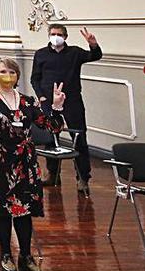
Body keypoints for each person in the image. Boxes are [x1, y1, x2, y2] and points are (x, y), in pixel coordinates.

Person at [0, 58, 65, 271]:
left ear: (17, 75)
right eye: (2, 71)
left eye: (11, 71)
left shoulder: (28, 102)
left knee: (24, 210)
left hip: (25, 162)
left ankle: (26, 256)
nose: (7, 75)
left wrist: (57, 106)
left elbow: (51, 126)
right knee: (2, 211)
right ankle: (5, 254)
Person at [29, 24, 102, 194]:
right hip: (48, 102)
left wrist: (93, 44)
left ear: (65, 37)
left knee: (79, 138)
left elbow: (95, 55)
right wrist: (41, 96)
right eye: (53, 34)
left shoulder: (75, 52)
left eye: (59, 34)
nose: (56, 36)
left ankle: (83, 177)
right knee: (50, 139)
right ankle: (53, 174)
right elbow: (35, 78)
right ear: (48, 35)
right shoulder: (40, 54)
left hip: (72, 101)